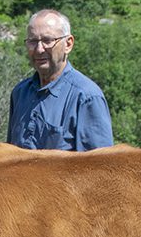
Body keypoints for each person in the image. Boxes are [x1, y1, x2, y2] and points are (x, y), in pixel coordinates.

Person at [7, 9, 114, 151]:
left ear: (68, 44)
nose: (39, 49)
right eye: (33, 41)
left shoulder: (86, 97)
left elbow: (100, 163)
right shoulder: (20, 93)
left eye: (48, 40)